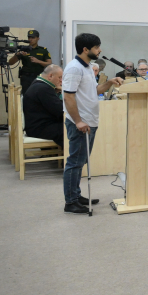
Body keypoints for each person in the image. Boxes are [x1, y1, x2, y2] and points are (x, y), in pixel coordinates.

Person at [62, 33, 123, 214]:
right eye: (97, 47)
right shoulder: (74, 69)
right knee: (75, 162)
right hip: (81, 123)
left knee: (81, 161)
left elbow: (93, 91)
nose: (100, 50)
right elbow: (68, 97)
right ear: (85, 49)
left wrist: (109, 83)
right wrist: (78, 121)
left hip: (89, 120)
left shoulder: (88, 67)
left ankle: (76, 195)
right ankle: (70, 202)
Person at [23, 64, 64, 147]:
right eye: (60, 77)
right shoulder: (44, 89)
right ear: (50, 76)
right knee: (74, 129)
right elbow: (60, 110)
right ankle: (74, 154)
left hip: (35, 126)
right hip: (40, 128)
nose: (61, 81)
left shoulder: (38, 84)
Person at [8, 29, 52, 94]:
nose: (30, 39)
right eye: (29, 37)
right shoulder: (23, 49)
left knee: (39, 95)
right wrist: (17, 55)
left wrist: (38, 61)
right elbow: (10, 63)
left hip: (39, 77)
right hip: (26, 78)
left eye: (33, 38)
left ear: (38, 38)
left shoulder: (43, 50)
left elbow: (49, 64)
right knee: (27, 95)